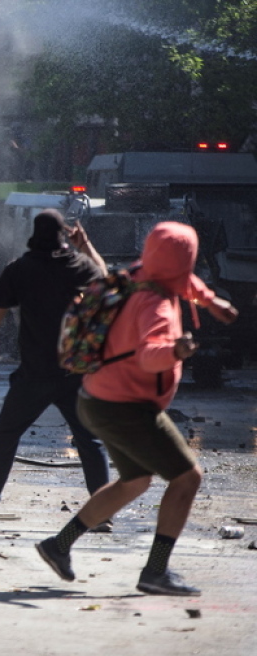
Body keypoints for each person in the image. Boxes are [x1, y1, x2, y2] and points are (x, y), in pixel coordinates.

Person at [36, 222, 238, 596]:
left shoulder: (139, 275)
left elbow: (186, 282)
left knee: (136, 480)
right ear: (184, 261)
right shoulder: (157, 304)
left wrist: (211, 302)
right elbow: (149, 356)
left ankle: (57, 546)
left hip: (96, 398)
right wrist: (175, 351)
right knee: (187, 477)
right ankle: (155, 572)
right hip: (125, 407)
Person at [0, 210, 111, 528]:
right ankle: (102, 513)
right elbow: (106, 280)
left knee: (5, 436)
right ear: (62, 234)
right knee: (89, 441)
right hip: (74, 373)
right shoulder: (77, 265)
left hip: (34, 374)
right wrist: (86, 245)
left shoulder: (20, 268)